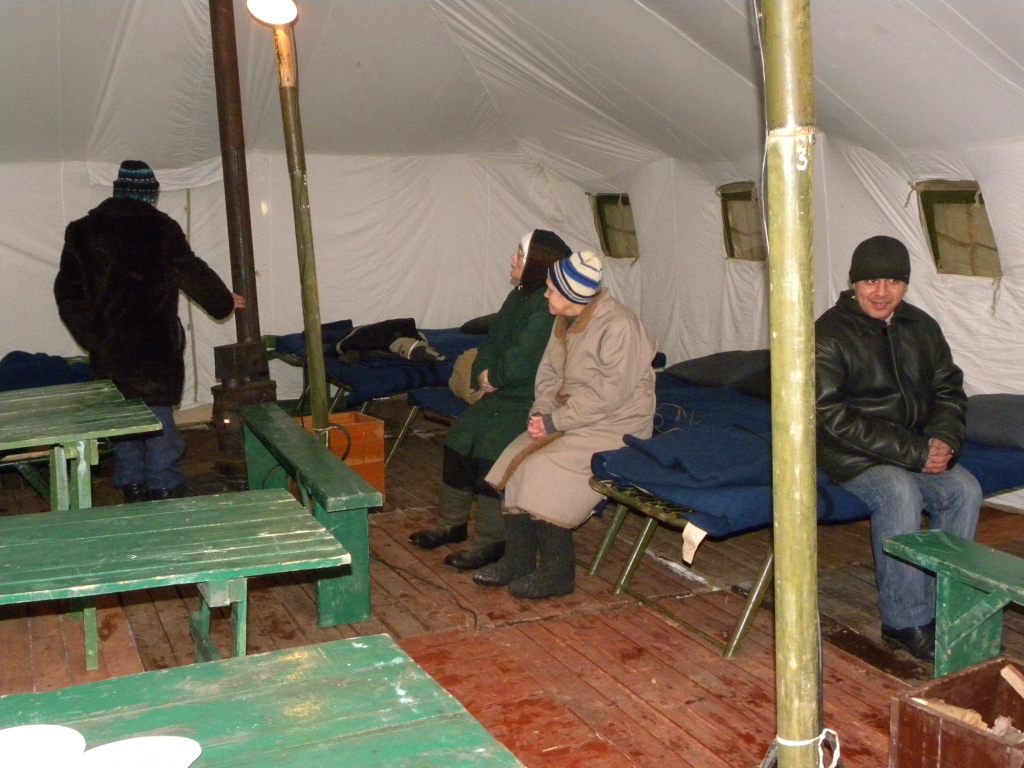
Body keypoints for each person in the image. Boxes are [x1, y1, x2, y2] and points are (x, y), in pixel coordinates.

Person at [815, 235, 982, 662]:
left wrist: (944, 438)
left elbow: (948, 390)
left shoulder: (921, 327)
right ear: (854, 283)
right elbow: (830, 416)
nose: (881, 291)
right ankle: (904, 621)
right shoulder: (828, 333)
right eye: (870, 281)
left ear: (906, 284)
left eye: (893, 281)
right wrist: (915, 453)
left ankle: (948, 609)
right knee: (898, 492)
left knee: (964, 489)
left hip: (912, 446)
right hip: (852, 453)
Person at [54, 160, 244, 502]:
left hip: (111, 349)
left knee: (123, 418)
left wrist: (93, 338)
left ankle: (132, 484)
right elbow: (190, 270)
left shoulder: (82, 231)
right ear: (149, 195)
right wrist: (223, 301)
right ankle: (164, 485)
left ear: (117, 191)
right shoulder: (162, 228)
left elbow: (68, 294)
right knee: (157, 417)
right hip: (155, 346)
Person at [474, 251, 657, 599]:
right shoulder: (564, 319)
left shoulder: (619, 325)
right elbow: (548, 374)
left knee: (545, 470)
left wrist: (556, 420)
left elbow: (610, 394)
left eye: (551, 290)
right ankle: (518, 560)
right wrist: (542, 413)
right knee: (515, 460)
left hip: (617, 423)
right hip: (573, 415)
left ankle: (558, 573)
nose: (545, 294)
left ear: (573, 294)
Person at [408, 230, 572, 570]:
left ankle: (491, 539)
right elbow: (493, 340)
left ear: (538, 262)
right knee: (459, 438)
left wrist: (493, 378)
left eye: (520, 254)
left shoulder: (546, 305)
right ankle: (452, 523)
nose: (513, 258)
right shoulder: (518, 296)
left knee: (492, 450)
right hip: (501, 391)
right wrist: (481, 374)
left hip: (527, 396)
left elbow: (526, 357)